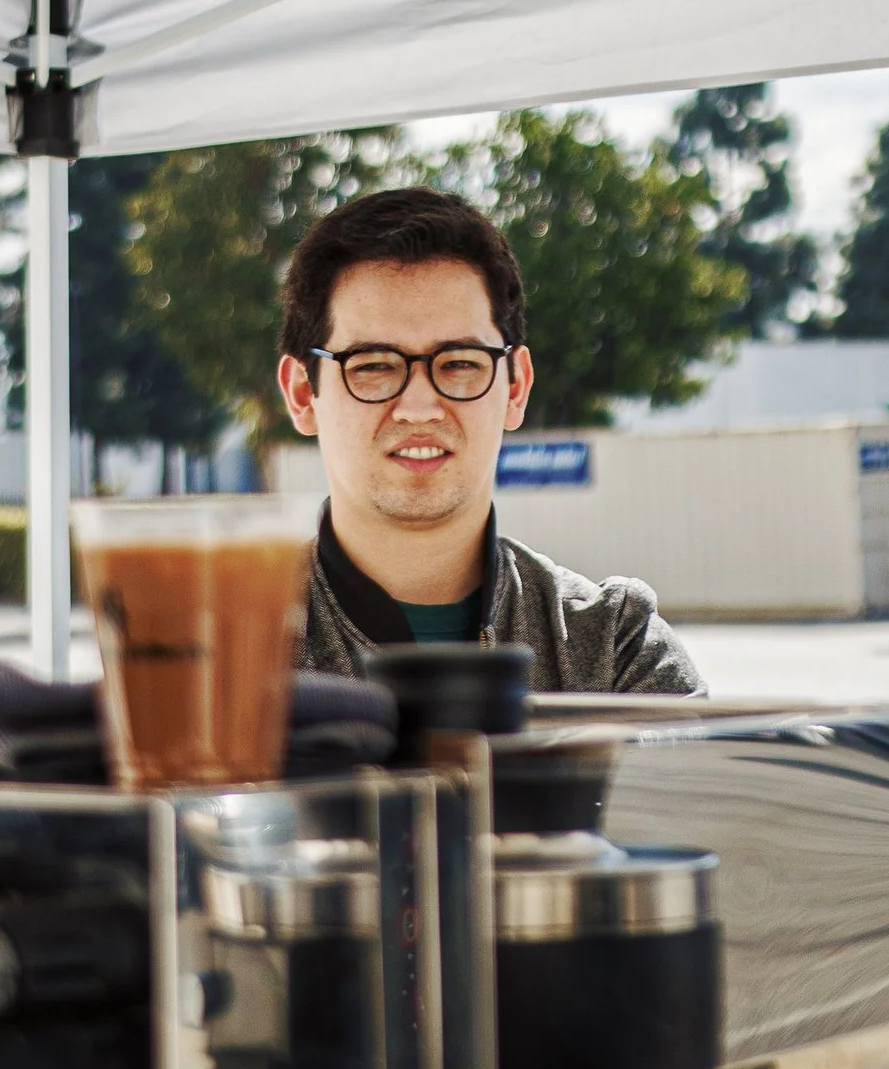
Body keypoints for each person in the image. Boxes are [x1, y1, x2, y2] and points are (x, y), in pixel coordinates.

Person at [275, 188, 704, 693]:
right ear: (303, 393)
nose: (418, 408)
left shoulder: (616, 647)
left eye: (458, 363)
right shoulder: (212, 649)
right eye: (372, 366)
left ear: (516, 386)